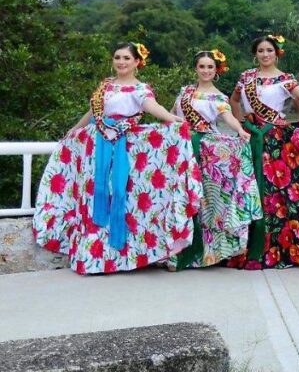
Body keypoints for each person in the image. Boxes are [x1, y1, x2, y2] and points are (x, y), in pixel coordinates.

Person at [34, 42, 202, 274]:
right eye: (117, 57)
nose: (121, 62)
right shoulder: (105, 86)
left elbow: (152, 106)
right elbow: (93, 113)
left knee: (122, 195)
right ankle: (93, 257)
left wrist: (173, 120)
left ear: (136, 62)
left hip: (125, 149)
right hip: (96, 147)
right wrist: (74, 130)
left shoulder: (140, 89)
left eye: (126, 58)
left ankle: (123, 257)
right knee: (95, 194)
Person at [228, 35, 299, 268]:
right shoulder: (246, 77)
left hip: (275, 141)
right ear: (256, 54)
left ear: (276, 53)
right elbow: (233, 101)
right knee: (248, 188)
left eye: (269, 50)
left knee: (274, 193)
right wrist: (242, 122)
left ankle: (275, 246)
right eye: (261, 50)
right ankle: (247, 243)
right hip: (250, 138)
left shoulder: (285, 79)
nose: (265, 55)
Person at [171, 50, 261, 268]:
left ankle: (205, 251)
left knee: (206, 200)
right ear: (196, 68)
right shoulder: (185, 92)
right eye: (202, 66)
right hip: (182, 147)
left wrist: (239, 130)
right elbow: (172, 113)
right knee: (181, 196)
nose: (205, 70)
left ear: (216, 70)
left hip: (205, 150)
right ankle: (178, 249)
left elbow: (227, 117)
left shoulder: (218, 97)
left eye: (210, 67)